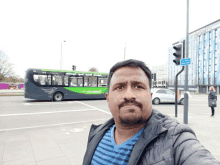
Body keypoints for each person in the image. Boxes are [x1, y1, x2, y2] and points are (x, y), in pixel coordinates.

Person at [83, 59, 220, 165]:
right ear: (108, 98)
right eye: (119, 87)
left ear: (150, 95)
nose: (129, 95)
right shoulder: (96, 134)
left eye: (138, 86)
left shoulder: (175, 138)